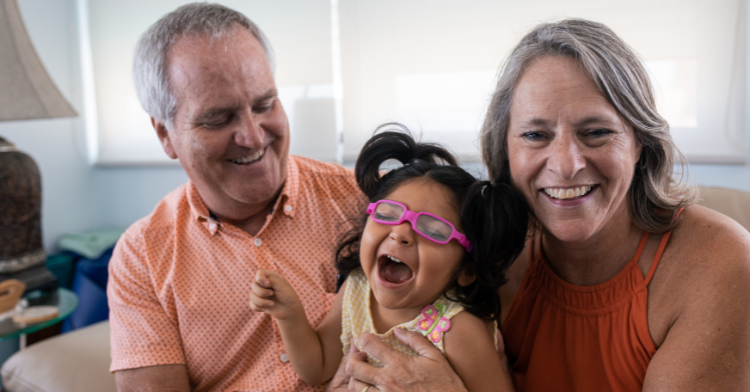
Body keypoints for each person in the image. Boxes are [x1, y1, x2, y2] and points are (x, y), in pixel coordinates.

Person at [331, 19, 750, 392]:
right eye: (535, 135)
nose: (567, 164)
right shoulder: (488, 252)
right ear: (504, 150)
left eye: (597, 132)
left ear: (641, 143)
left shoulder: (718, 264)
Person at [107, 3, 366, 391]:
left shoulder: (365, 202)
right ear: (165, 134)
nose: (254, 136)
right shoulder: (142, 257)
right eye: (218, 118)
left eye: (265, 105)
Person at [249, 129, 527, 391]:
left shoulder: (458, 331)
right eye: (387, 213)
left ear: (466, 269)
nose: (401, 233)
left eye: (432, 230)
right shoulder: (357, 288)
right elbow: (318, 367)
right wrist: (289, 315)